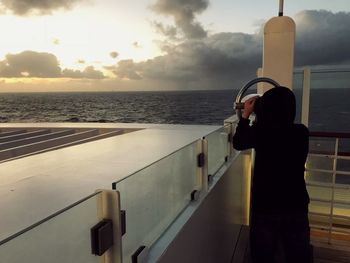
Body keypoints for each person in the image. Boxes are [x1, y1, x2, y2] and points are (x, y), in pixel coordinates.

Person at [232, 86, 311, 263]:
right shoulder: (301, 132)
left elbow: (238, 142)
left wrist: (245, 115)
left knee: (263, 254)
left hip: (266, 205)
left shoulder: (260, 132)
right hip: (296, 204)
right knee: (298, 254)